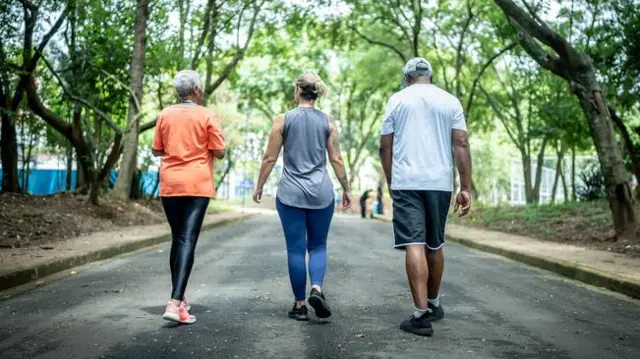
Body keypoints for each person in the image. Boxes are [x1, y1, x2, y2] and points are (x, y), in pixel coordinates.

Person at [379, 58, 472, 336]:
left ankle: (420, 316)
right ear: (429, 76)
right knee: (435, 244)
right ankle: (433, 303)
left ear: (407, 78)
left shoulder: (397, 100)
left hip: (407, 182)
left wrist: (392, 180)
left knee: (414, 244)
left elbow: (385, 145)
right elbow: (461, 143)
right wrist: (465, 187)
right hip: (440, 183)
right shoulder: (450, 101)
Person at [253, 72, 351, 321]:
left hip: (290, 194)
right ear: (316, 94)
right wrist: (346, 188)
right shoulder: (328, 121)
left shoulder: (282, 120)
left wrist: (260, 185)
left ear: (297, 91)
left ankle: (299, 305)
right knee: (318, 245)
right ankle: (316, 288)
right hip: (322, 194)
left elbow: (270, 157)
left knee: (296, 250)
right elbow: (336, 158)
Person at [152, 70, 226, 324]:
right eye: (201, 86)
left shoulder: (165, 114)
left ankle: (180, 301)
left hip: (170, 183)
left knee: (178, 238)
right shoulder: (207, 114)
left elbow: (156, 150)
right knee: (188, 239)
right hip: (196, 184)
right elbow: (220, 152)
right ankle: (174, 302)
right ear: (195, 89)